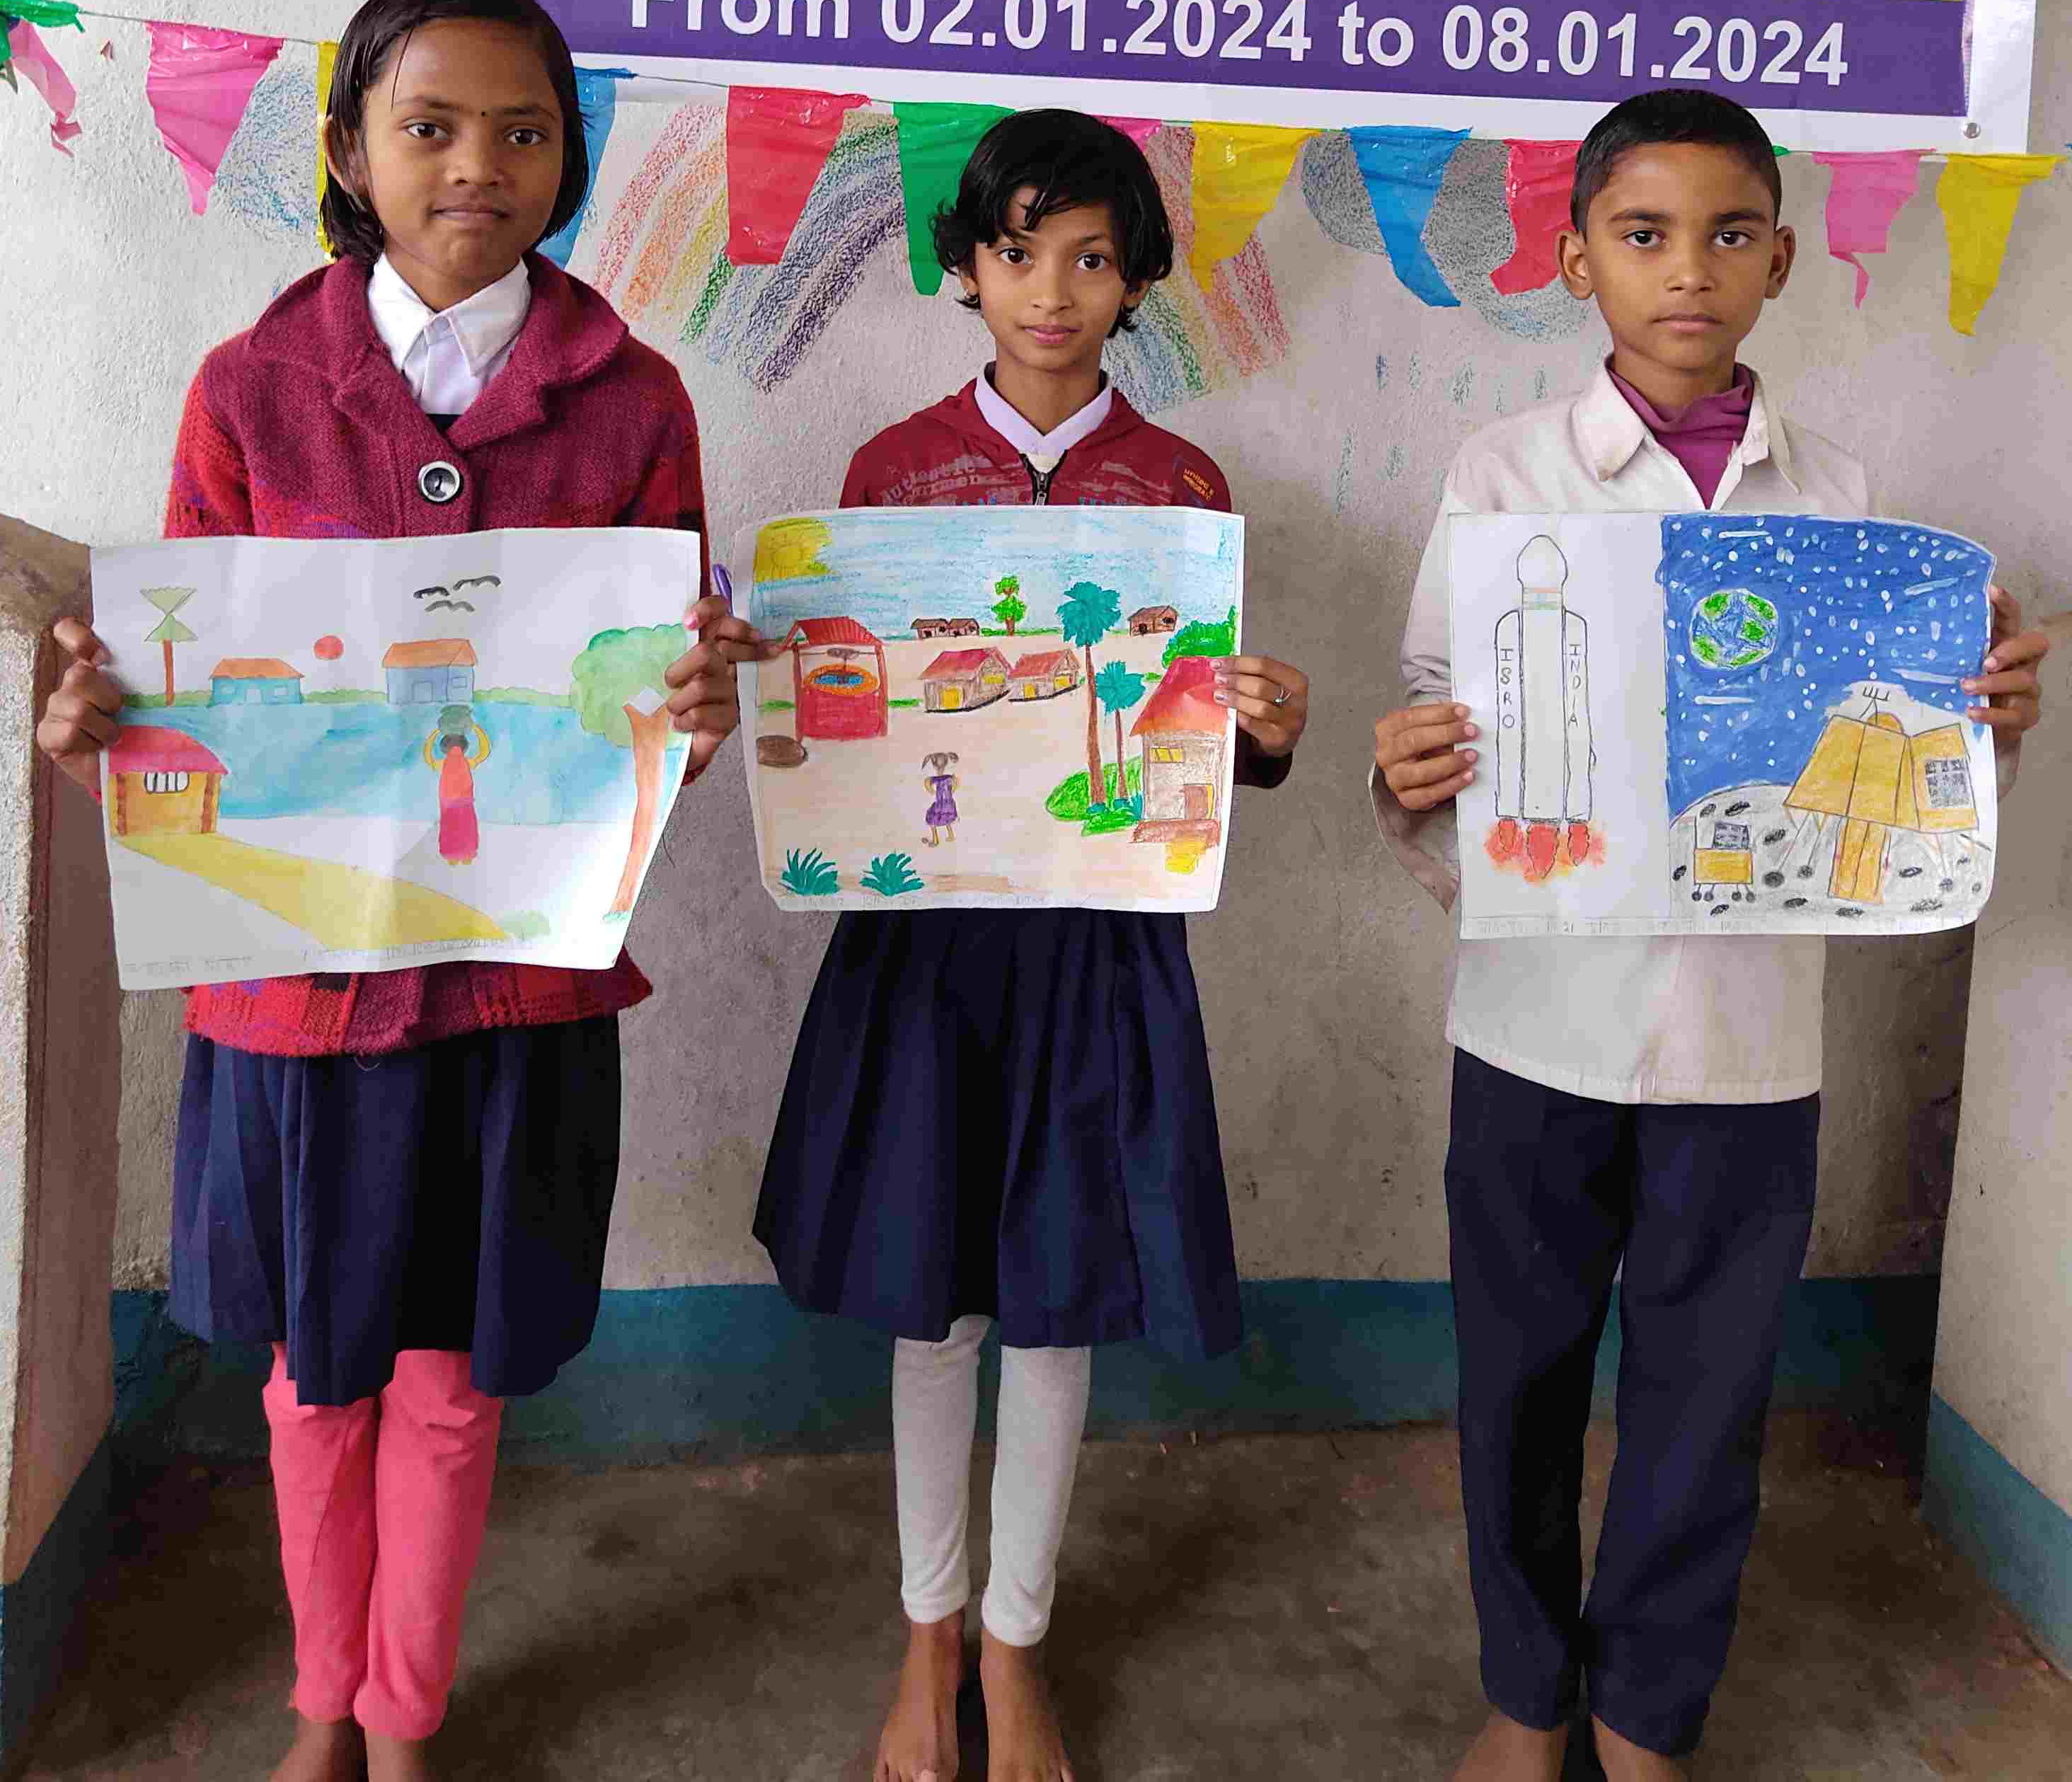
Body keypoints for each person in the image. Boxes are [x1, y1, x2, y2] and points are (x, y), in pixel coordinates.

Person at [36, 0, 757, 1782]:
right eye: (428, 126)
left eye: (523, 130)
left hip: (512, 987)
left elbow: (653, 702)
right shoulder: (251, 389)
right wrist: (108, 720)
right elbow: (190, 677)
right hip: (300, 995)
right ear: (350, 152)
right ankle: (318, 1701)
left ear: (568, 156)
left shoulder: (635, 399)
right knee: (315, 1370)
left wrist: (696, 709)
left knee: (451, 1378)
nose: (476, 166)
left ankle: (405, 1711)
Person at [1369, 88, 2049, 1782]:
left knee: (1708, 1396)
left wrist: (1984, 728)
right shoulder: (1503, 475)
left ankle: (1644, 1716)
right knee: (1518, 1377)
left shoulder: (1842, 496)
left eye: (1729, 233)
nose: (1689, 269)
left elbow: (1883, 772)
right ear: (1577, 258)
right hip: (1535, 1022)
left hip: (1749, 1046)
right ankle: (1525, 1699)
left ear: (1782, 261)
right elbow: (1438, 708)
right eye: (1646, 232)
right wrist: (1408, 772)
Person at [754, 109, 1311, 1782]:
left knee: (1056, 1303)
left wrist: (1265, 731)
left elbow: (1200, 742)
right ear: (966, 267)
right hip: (927, 951)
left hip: (1100, 948)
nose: (1051, 290)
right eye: (1018, 251)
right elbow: (842, 714)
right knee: (932, 1304)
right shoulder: (890, 470)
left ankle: (1017, 1643)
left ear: (1137, 279)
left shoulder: (1183, 489)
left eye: (1090, 257)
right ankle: (928, 1635)